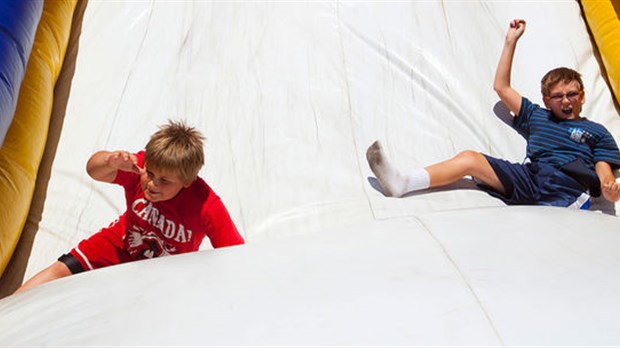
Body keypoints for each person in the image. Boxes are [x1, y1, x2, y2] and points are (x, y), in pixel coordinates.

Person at [367, 19, 620, 208]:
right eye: (558, 96)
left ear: (583, 96)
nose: (566, 101)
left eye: (573, 94)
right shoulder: (536, 116)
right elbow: (502, 87)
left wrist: (608, 187)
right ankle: (404, 182)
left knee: (545, 226)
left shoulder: (595, 131)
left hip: (565, 184)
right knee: (470, 159)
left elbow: (603, 167)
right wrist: (510, 42)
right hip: (529, 175)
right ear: (547, 100)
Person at [16, 120, 244, 293]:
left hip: (163, 271)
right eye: (151, 174)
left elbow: (236, 257)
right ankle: (8, 312)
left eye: (164, 181)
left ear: (187, 181)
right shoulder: (141, 167)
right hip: (122, 242)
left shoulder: (206, 204)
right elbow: (93, 170)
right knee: (61, 268)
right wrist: (109, 161)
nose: (152, 184)